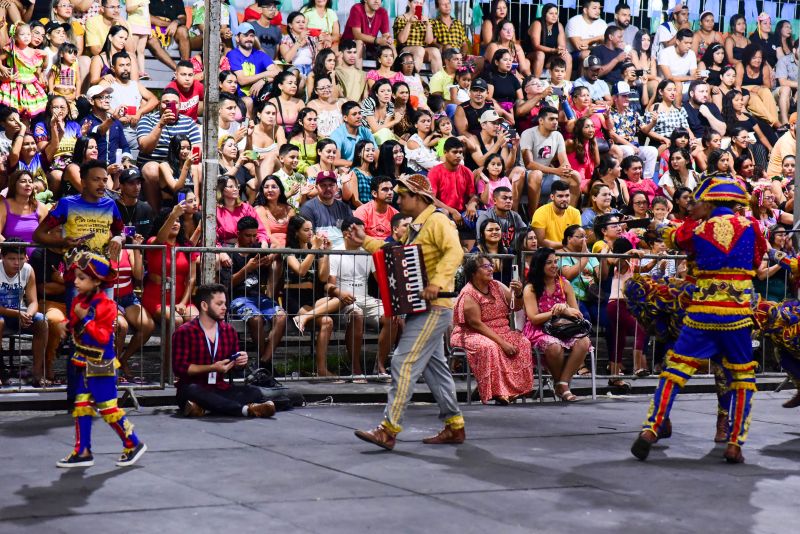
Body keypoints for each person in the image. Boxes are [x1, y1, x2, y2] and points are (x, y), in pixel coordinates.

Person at [631, 176, 768, 464]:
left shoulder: (697, 228)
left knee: (675, 370)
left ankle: (651, 429)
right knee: (743, 377)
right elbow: (757, 261)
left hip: (701, 313)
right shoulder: (752, 226)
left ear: (709, 202)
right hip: (737, 316)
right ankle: (734, 444)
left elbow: (675, 239)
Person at [354, 174, 464, 450]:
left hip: (434, 308)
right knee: (434, 368)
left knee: (402, 363)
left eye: (403, 195)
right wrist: (365, 239)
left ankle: (388, 429)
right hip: (424, 307)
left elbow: (455, 252)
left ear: (419, 198)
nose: (397, 198)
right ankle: (455, 425)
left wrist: (437, 282)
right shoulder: (418, 225)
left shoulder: (437, 221)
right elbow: (395, 252)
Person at [56, 251, 147, 468]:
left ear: (97, 281)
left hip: (101, 364)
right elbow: (74, 324)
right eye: (76, 277)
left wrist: (84, 318)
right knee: (81, 405)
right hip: (82, 361)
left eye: (82, 278)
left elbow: (103, 337)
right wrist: (65, 325)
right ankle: (83, 450)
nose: (76, 282)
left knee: (107, 407)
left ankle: (133, 443)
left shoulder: (106, 305)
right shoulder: (79, 300)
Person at [172, 283, 277, 419]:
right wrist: (212, 368)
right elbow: (180, 368)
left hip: (220, 387)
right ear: (204, 306)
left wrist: (240, 362)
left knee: (254, 392)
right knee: (192, 391)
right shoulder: (185, 332)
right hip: (194, 387)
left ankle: (203, 408)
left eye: (225, 303)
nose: (224, 308)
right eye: (219, 304)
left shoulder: (228, 331)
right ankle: (245, 410)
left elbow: (234, 367)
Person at [451, 253, 530, 404]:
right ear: (474, 272)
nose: (490, 269)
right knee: (490, 347)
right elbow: (475, 324)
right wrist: (503, 343)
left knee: (523, 342)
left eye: (491, 266)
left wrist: (518, 293)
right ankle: (497, 392)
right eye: (485, 266)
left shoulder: (497, 286)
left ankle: (515, 390)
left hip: (500, 330)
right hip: (470, 333)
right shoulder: (468, 293)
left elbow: (516, 307)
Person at [326, 216, 396, 381]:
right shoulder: (335, 253)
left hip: (365, 298)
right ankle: (356, 368)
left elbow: (381, 280)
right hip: (343, 301)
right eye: (358, 231)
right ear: (346, 233)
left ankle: (379, 365)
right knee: (357, 315)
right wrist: (340, 294)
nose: (363, 235)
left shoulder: (368, 254)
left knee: (392, 315)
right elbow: (330, 286)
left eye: (363, 231)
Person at [522, 247, 592, 402]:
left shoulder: (564, 284)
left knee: (584, 341)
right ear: (539, 265)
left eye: (556, 261)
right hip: (539, 329)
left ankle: (562, 383)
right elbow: (533, 318)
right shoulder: (531, 288)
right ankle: (561, 384)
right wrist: (556, 312)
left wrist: (566, 309)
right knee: (554, 346)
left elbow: (576, 312)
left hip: (563, 327)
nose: (554, 265)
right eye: (549, 263)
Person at [220, 216, 287, 367]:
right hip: (238, 298)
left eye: (254, 236)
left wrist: (271, 256)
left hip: (259, 297)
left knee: (282, 316)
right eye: (247, 236)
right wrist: (247, 269)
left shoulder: (257, 249)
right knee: (256, 319)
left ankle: (263, 363)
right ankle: (265, 366)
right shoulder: (228, 254)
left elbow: (279, 247)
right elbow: (226, 284)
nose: (251, 240)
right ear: (238, 234)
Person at [283, 214, 339, 375]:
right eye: (306, 230)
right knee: (327, 321)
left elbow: (322, 277)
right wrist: (314, 250)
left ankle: (305, 318)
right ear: (296, 232)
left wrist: (326, 253)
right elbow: (300, 271)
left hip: (313, 298)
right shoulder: (288, 251)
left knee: (339, 299)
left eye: (311, 230)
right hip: (294, 297)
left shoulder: (316, 251)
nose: (310, 233)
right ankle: (322, 369)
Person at [137, 89, 202, 209]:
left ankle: (196, 208)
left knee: (199, 168)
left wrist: (184, 165)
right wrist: (161, 124)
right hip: (154, 163)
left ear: (180, 105)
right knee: (151, 169)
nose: (170, 106)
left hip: (180, 164)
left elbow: (197, 150)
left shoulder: (188, 122)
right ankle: (156, 216)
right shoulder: (147, 120)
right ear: (159, 104)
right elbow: (145, 148)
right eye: (166, 102)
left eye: (174, 103)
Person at [0, 240, 48, 386]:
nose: (17, 263)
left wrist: (29, 314)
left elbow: (33, 301)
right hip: (4, 315)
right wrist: (18, 314)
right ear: (2, 257)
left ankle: (37, 372)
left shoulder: (28, 270)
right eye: (12, 259)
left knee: (42, 321)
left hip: (19, 313)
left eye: (21, 258)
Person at [521, 105, 580, 209]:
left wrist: (566, 168)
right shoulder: (528, 134)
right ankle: (534, 219)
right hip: (527, 176)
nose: (555, 122)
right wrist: (555, 171)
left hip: (547, 176)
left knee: (575, 176)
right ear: (541, 121)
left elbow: (564, 160)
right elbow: (529, 164)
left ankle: (569, 216)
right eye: (551, 119)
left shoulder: (557, 135)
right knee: (537, 174)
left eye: (556, 119)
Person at [427, 137, 479, 249]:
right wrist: (452, 211)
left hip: (462, 213)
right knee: (443, 214)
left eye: (460, 152)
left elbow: (473, 195)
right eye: (454, 152)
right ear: (445, 153)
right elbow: (431, 199)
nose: (458, 155)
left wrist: (472, 204)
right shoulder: (435, 172)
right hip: (443, 212)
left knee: (481, 216)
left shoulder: (467, 171)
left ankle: (473, 252)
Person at [107, 51, 159, 160]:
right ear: (113, 68)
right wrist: (116, 117)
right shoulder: (109, 85)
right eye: (121, 65)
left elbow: (154, 100)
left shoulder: (135, 85)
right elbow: (97, 102)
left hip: (136, 130)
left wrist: (138, 113)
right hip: (117, 129)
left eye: (128, 65)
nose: (126, 68)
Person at [608, 81, 659, 180]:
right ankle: (629, 180)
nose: (627, 98)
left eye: (628, 96)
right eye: (623, 96)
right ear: (615, 98)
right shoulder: (609, 113)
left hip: (633, 146)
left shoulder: (632, 112)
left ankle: (647, 180)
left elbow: (644, 129)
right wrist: (630, 145)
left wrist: (653, 122)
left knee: (652, 151)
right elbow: (612, 134)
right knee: (629, 150)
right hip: (617, 148)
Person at [299, 170, 352, 248]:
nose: (328, 188)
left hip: (343, 251)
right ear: (317, 187)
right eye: (323, 185)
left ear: (337, 188)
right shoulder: (307, 208)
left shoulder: (344, 208)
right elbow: (308, 237)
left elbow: (351, 232)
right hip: (320, 251)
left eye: (331, 185)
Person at [226, 23, 280, 98]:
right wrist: (266, 74)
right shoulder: (233, 54)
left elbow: (277, 73)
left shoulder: (260, 54)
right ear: (237, 38)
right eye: (245, 35)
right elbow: (242, 80)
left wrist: (263, 81)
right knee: (248, 102)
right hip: (240, 98)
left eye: (251, 35)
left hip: (259, 97)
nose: (249, 38)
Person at [84, 84, 131, 165]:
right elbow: (100, 131)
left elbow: (125, 146)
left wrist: (126, 160)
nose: (107, 101)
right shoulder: (86, 121)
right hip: (94, 168)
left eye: (108, 97)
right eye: (101, 97)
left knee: (133, 174)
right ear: (91, 101)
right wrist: (113, 118)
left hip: (116, 168)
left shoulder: (116, 122)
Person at [393, 0, 441, 74]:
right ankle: (414, 78)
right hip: (405, 49)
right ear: (409, 4)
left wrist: (428, 25)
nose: (418, 5)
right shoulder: (401, 18)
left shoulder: (426, 20)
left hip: (422, 50)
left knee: (435, 51)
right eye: (415, 2)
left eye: (420, 3)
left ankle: (439, 82)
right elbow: (401, 40)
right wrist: (409, 23)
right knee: (419, 50)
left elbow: (429, 41)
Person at [531, 179, 581, 250]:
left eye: (567, 196)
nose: (564, 199)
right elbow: (540, 242)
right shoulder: (540, 212)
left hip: (569, 252)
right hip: (547, 254)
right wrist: (566, 244)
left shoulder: (575, 213)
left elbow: (577, 238)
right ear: (552, 197)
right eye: (560, 196)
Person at [341, 0, 392, 70]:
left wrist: (388, 39)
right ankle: (358, 75)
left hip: (371, 45)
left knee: (390, 45)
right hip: (351, 44)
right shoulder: (356, 8)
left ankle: (391, 76)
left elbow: (386, 34)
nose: (377, 1)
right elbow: (357, 35)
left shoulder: (382, 12)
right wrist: (377, 40)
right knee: (359, 42)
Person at [529, 3, 570, 79]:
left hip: (549, 57)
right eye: (551, 13)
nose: (554, 16)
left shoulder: (559, 25)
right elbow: (536, 46)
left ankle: (566, 85)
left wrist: (561, 50)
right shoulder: (537, 24)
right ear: (544, 14)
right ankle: (535, 82)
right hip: (533, 55)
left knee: (567, 56)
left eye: (556, 13)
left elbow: (562, 45)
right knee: (541, 54)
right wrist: (553, 50)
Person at [253, 175, 295, 248]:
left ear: (280, 191)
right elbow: (267, 234)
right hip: (272, 248)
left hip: (290, 248)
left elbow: (295, 233)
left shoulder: (289, 209)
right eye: (266, 187)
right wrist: (282, 250)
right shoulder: (260, 210)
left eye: (274, 187)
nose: (270, 190)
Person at [146, 0, 190, 70]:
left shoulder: (177, 1)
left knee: (183, 30)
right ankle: (179, 70)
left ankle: (186, 67)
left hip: (172, 36)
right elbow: (148, 18)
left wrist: (176, 22)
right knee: (152, 41)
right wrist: (170, 24)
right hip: (154, 36)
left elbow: (183, 18)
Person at [657, 28, 697, 104]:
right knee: (678, 84)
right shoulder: (665, 53)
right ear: (678, 42)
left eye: (690, 43)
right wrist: (690, 78)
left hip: (685, 83)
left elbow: (694, 75)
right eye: (686, 43)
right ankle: (678, 111)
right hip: (666, 83)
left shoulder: (691, 54)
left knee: (704, 86)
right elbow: (669, 77)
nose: (689, 46)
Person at [353, 175, 398, 240]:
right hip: (366, 248)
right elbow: (358, 237)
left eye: (391, 189)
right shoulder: (362, 211)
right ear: (374, 193)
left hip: (388, 248)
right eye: (385, 189)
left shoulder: (395, 214)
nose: (390, 192)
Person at [775, 39, 798, 126]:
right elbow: (782, 82)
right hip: (780, 93)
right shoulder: (784, 60)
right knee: (786, 89)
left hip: (796, 94)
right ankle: (785, 123)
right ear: (794, 50)